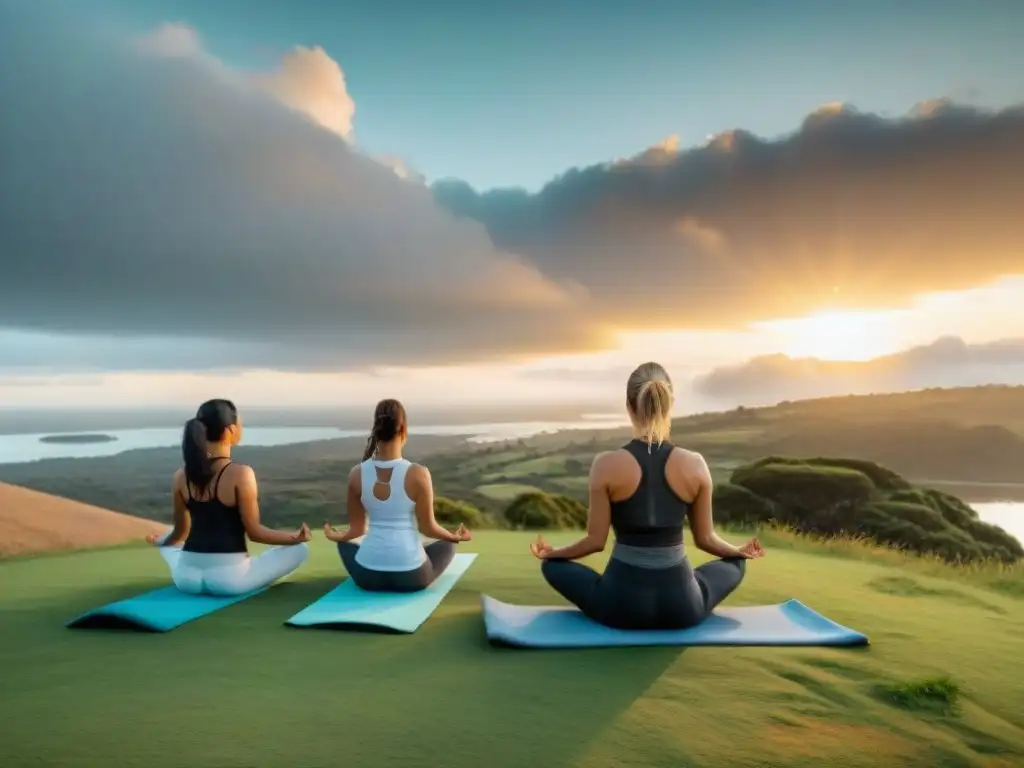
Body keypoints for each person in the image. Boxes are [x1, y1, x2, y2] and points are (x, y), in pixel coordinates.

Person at [530, 362, 765, 630]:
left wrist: (553, 553)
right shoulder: (695, 464)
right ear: (669, 404)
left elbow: (595, 542)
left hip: (619, 608)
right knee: (735, 564)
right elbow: (706, 539)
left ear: (629, 406)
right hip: (683, 608)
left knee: (552, 567)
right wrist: (738, 551)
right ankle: (702, 579)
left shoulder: (606, 464)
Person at [147, 399, 311, 595]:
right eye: (240, 424)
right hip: (229, 579)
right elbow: (255, 533)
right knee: (300, 549)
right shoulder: (241, 473)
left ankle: (163, 545)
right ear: (230, 431)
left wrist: (162, 543)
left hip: (186, 578)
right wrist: (295, 537)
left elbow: (180, 532)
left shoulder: (181, 475)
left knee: (170, 544)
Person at [323, 398, 472, 592]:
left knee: (344, 545)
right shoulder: (418, 473)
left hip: (367, 576)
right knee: (448, 544)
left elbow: (357, 530)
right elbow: (429, 528)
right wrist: (455, 537)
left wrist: (336, 536)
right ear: (403, 430)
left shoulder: (356, 474)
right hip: (412, 577)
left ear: (376, 430)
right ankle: (432, 546)